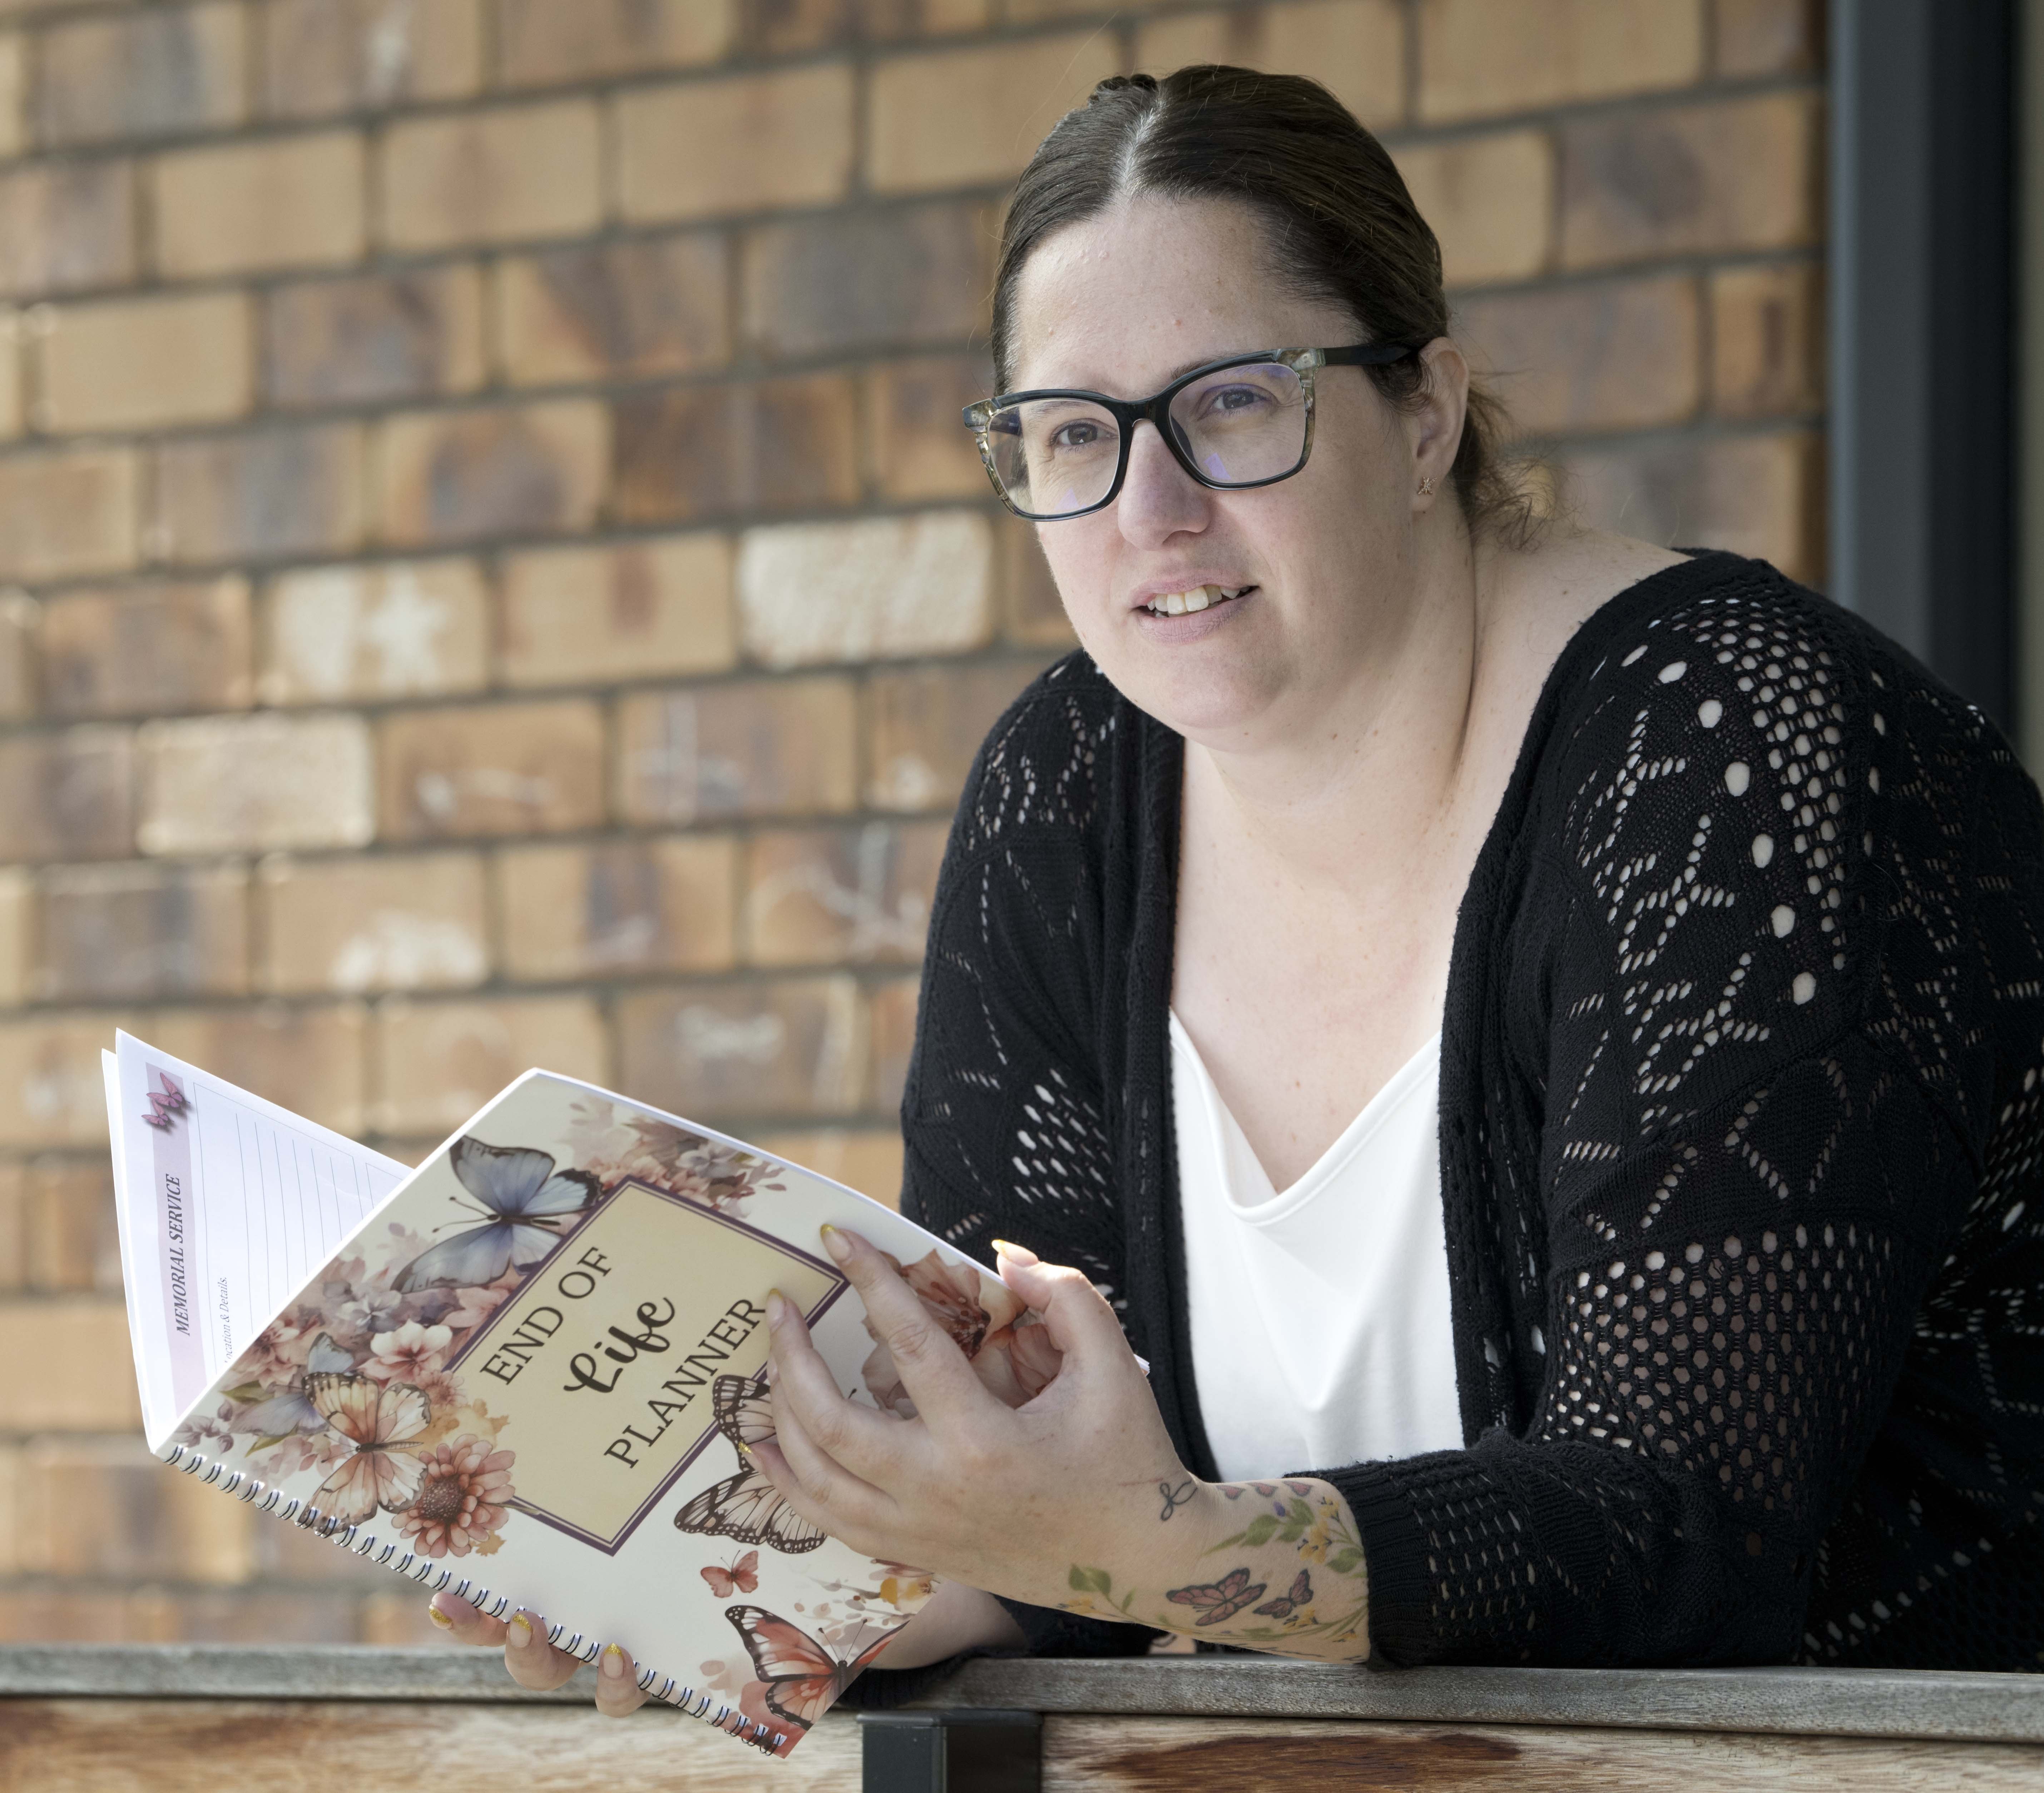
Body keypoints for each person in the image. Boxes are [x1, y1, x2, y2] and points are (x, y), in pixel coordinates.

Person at [432, 66, 2044, 1706]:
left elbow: (1686, 1537)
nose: (1149, 511)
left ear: (1422, 411)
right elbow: (1055, 1501)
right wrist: (857, 1586)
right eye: (1070, 432)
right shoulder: (1064, 794)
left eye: (1227, 404)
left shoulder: (1725, 752)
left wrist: (1138, 1546)